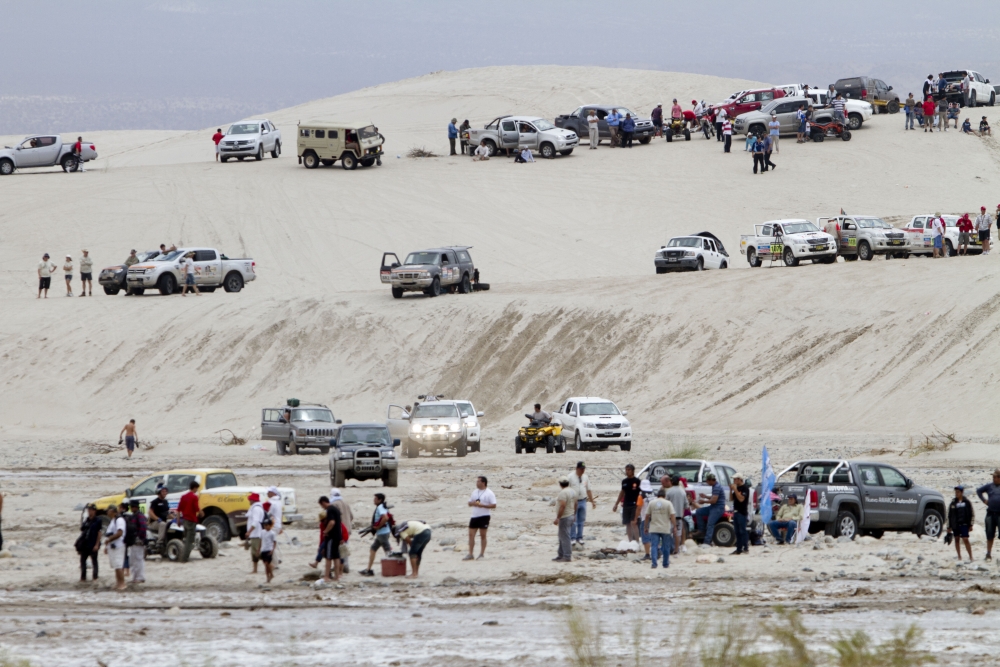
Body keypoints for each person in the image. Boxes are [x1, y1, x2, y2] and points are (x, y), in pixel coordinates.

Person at [359, 493, 391, 576]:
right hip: (382, 533)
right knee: (373, 549)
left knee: (388, 552)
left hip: (382, 533)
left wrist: (377, 527)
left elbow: (385, 518)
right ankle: (368, 569)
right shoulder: (381, 507)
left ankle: (392, 570)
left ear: (380, 500)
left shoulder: (380, 507)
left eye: (375, 498)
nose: (374, 500)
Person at [466, 476, 496, 561]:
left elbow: (494, 505)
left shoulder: (489, 493)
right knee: (471, 535)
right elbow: (469, 502)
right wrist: (473, 503)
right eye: (477, 481)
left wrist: (483, 505)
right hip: (474, 516)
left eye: (478, 481)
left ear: (483, 483)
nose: (477, 483)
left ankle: (482, 553)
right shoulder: (475, 492)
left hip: (484, 516)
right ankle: (470, 554)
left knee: (483, 535)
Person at [568, 461, 596, 546]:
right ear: (577, 468)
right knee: (573, 520)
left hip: (583, 500)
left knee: (581, 520)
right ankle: (572, 538)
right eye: (581, 469)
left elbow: (588, 489)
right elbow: (566, 490)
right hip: (573, 501)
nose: (582, 471)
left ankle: (579, 537)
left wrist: (592, 501)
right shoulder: (570, 477)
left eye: (584, 469)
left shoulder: (585, 477)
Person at [694, 473, 727, 546]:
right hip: (713, 507)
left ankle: (707, 542)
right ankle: (701, 530)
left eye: (707, 481)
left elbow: (714, 500)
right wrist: (705, 496)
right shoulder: (714, 486)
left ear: (710, 480)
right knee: (699, 512)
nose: (707, 483)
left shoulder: (717, 487)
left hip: (718, 508)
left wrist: (704, 501)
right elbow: (713, 497)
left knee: (710, 523)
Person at [647, 488, 676, 569]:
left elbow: (647, 516)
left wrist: (646, 526)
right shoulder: (668, 503)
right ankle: (665, 564)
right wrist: (674, 526)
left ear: (657, 495)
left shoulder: (652, 503)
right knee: (666, 546)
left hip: (654, 528)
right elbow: (672, 515)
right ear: (664, 496)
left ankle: (654, 563)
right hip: (665, 528)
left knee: (654, 546)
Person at [613, 464, 642, 543]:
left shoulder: (637, 481)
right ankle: (630, 541)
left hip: (634, 505)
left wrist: (640, 505)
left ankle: (637, 541)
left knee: (634, 523)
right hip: (626, 504)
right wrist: (616, 504)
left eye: (629, 470)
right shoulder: (624, 481)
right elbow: (622, 492)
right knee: (627, 523)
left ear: (632, 471)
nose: (627, 471)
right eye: (626, 470)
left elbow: (641, 493)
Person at [976, 470, 1000, 561]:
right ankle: (988, 553)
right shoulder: (989, 486)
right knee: (989, 534)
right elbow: (978, 491)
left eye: (995, 477)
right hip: (990, 513)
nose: (993, 479)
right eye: (993, 477)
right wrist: (984, 500)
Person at [947, 485, 974, 561]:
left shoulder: (967, 502)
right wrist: (948, 526)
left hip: (964, 523)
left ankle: (970, 556)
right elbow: (949, 514)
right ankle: (959, 556)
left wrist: (971, 524)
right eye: (956, 492)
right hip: (956, 524)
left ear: (962, 492)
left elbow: (972, 513)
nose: (956, 493)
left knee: (965, 539)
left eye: (958, 492)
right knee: (957, 539)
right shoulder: (953, 502)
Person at [104, 505, 127, 590]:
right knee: (116, 566)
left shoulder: (119, 520)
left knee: (119, 566)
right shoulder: (113, 520)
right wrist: (107, 546)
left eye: (108, 510)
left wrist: (109, 539)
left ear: (112, 511)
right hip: (113, 546)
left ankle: (122, 584)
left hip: (119, 546)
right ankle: (118, 583)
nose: (106, 512)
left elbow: (119, 533)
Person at [177, 480, 202, 562]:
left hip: (185, 520)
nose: (197, 490)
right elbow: (196, 508)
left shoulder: (183, 497)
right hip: (191, 520)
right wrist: (202, 512)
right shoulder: (194, 497)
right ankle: (184, 558)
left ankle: (183, 555)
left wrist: (178, 521)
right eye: (196, 489)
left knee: (186, 538)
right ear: (194, 488)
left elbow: (179, 510)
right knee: (190, 540)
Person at [77, 504, 102, 581]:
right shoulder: (87, 520)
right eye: (89, 510)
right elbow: (82, 530)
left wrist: (97, 544)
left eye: (91, 510)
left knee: (94, 561)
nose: (89, 511)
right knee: (82, 561)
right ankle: (83, 577)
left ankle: (95, 577)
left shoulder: (98, 520)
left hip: (93, 543)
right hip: (85, 544)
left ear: (94, 511)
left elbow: (99, 533)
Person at [321, 496, 343, 582]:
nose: (322, 507)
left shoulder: (330, 510)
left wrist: (326, 531)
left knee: (328, 557)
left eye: (322, 505)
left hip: (331, 537)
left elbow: (332, 522)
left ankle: (326, 576)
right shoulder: (336, 509)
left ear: (323, 502)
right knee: (336, 557)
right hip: (338, 536)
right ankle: (337, 576)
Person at [664, 475, 688, 554]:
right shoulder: (682, 491)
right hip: (679, 516)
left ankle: (668, 548)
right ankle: (676, 549)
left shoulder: (669, 491)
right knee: (677, 533)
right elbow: (686, 505)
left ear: (671, 482)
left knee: (668, 533)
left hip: (670, 516)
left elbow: (666, 503)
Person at [553, 477, 575, 562]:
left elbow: (562, 506)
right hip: (570, 515)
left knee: (565, 537)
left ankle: (566, 556)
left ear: (560, 484)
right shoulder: (572, 491)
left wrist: (558, 518)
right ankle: (561, 554)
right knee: (562, 536)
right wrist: (574, 514)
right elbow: (576, 503)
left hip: (565, 517)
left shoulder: (563, 493)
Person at [126, 498, 147, 584]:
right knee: (133, 560)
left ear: (135, 507)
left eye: (131, 507)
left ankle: (140, 577)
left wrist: (139, 537)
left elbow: (143, 527)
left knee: (138, 559)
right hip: (134, 541)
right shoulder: (134, 516)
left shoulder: (139, 516)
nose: (131, 508)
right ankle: (135, 577)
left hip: (138, 541)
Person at [730, 473, 750, 555]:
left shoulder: (745, 488)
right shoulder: (737, 488)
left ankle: (745, 547)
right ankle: (738, 548)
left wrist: (735, 490)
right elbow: (731, 498)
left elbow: (741, 499)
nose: (734, 481)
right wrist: (731, 490)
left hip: (742, 512)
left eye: (735, 479)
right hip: (736, 511)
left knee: (742, 530)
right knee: (737, 531)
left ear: (739, 479)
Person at [245, 492, 266, 573]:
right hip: (256, 533)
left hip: (256, 533)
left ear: (253, 500)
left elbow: (255, 521)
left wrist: (249, 531)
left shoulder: (256, 509)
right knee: (254, 552)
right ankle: (255, 569)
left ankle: (267, 566)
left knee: (257, 551)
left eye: (250, 499)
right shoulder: (258, 508)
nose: (249, 501)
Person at [259, 517, 276, 583]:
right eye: (264, 525)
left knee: (267, 564)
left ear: (270, 525)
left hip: (269, 549)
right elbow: (260, 541)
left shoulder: (272, 533)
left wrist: (272, 550)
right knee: (266, 565)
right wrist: (258, 549)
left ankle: (270, 575)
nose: (265, 526)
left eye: (266, 525)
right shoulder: (262, 532)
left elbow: (274, 542)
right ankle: (269, 576)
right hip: (263, 550)